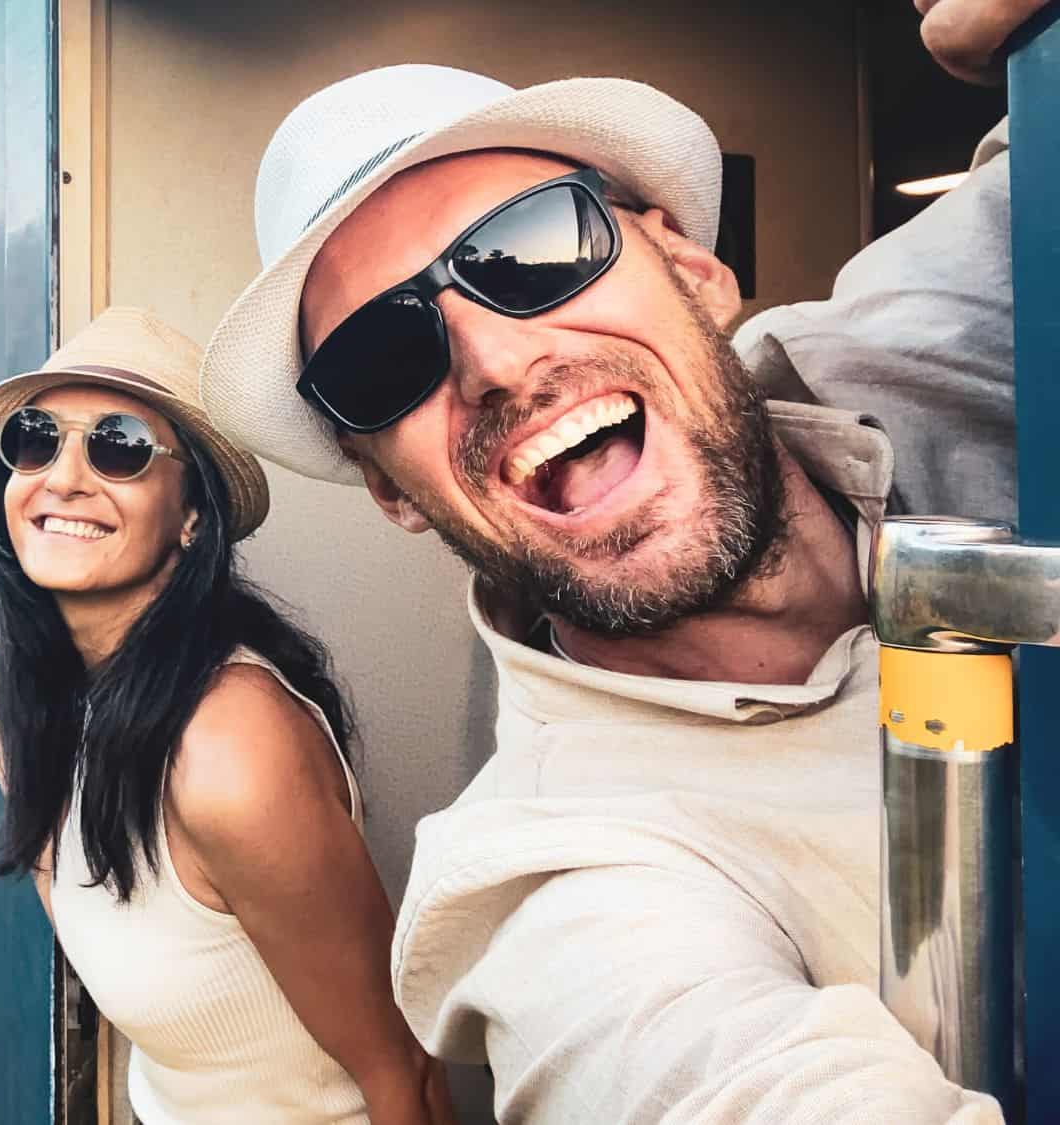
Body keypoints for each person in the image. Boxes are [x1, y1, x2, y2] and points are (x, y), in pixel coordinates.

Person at [197, 2, 1042, 1120]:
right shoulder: (551, 886)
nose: (495, 361)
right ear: (391, 491)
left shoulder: (897, 354)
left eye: (530, 249)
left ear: (695, 270)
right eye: (382, 355)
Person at [0, 307, 451, 1124]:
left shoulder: (229, 750)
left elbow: (404, 1076)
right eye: (36, 438)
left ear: (192, 513)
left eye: (120, 446)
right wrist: (13, 737)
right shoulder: (91, 708)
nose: (63, 477)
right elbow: (114, 910)